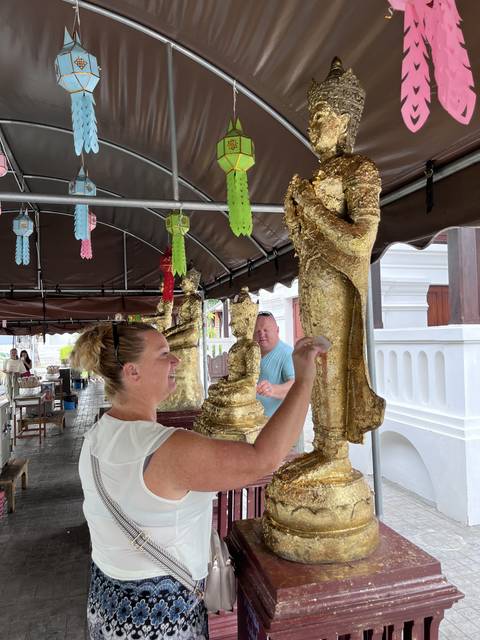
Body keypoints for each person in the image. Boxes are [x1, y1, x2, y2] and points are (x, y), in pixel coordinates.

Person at [73, 321, 328, 639]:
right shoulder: (168, 448)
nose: (176, 360)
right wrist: (304, 380)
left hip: (107, 601)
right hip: (159, 616)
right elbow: (264, 459)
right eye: (163, 354)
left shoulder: (96, 435)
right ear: (132, 372)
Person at [254, 311, 295, 417]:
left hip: (280, 423)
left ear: (277, 330)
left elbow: (296, 385)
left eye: (266, 330)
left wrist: (272, 389)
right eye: (258, 331)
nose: (261, 334)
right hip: (256, 421)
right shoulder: (252, 353)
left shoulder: (287, 354)